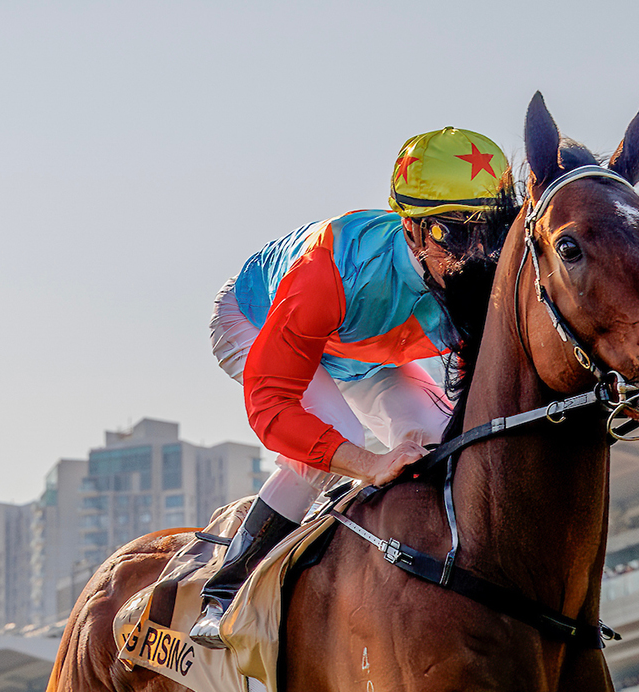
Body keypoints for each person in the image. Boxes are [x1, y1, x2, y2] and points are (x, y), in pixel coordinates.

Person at [190, 125, 515, 647]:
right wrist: (367, 465)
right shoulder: (330, 271)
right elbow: (272, 407)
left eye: (492, 229)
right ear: (410, 230)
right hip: (256, 317)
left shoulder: (479, 265)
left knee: (439, 437)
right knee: (337, 439)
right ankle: (225, 592)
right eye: (453, 232)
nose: (476, 251)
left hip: (367, 349)